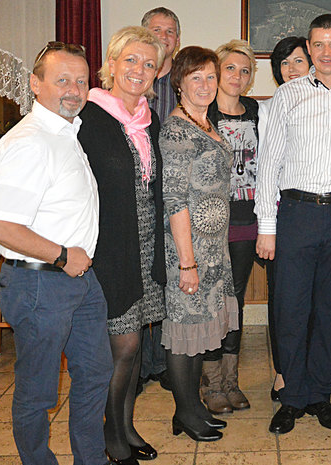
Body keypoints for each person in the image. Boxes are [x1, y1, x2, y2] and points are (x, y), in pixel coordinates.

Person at [0, 42, 113, 465]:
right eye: (62, 80)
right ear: (35, 84)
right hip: (41, 281)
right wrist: (62, 255)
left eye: (81, 81)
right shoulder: (31, 141)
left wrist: (73, 261)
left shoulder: (65, 132)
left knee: (95, 376)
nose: (74, 89)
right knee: (38, 393)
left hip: (79, 282)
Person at [255, 14, 331, 435]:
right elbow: (269, 163)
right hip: (296, 214)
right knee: (290, 309)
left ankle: (320, 395)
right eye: (318, 45)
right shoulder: (287, 95)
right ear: (309, 48)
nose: (325, 53)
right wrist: (266, 226)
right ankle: (291, 397)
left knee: (329, 310)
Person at [78, 26, 166, 464]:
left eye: (149, 64)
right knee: (123, 348)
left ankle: (127, 427)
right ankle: (111, 438)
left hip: (143, 252)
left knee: (134, 353)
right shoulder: (88, 118)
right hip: (108, 254)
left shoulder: (146, 121)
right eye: (130, 60)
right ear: (110, 63)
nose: (139, 70)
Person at [159, 45, 240, 442]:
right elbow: (174, 199)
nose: (206, 84)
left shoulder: (207, 123)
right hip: (186, 250)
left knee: (198, 336)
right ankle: (187, 412)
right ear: (179, 83)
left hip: (213, 249)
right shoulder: (177, 129)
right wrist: (187, 263)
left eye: (211, 76)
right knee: (183, 335)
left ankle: (190, 409)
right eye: (196, 78)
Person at [203, 39, 258, 414]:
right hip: (210, 226)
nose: (237, 76)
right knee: (211, 301)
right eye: (231, 68)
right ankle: (210, 384)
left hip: (246, 222)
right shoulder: (199, 112)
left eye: (245, 70)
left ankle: (230, 380)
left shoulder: (256, 111)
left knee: (235, 301)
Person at [259, 36, 313, 402]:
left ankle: (310, 371)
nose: (292, 69)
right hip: (277, 217)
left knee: (314, 302)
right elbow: (266, 167)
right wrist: (267, 225)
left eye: (298, 61)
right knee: (283, 302)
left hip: (313, 215)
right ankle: (282, 372)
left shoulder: (325, 103)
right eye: (285, 63)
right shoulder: (267, 108)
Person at [138, 6, 182, 393]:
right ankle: (138, 365)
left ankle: (162, 361)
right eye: (156, 30)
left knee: (169, 282)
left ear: (177, 41)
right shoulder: (133, 84)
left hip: (178, 201)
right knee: (142, 280)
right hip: (140, 200)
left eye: (170, 32)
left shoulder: (186, 85)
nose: (164, 36)